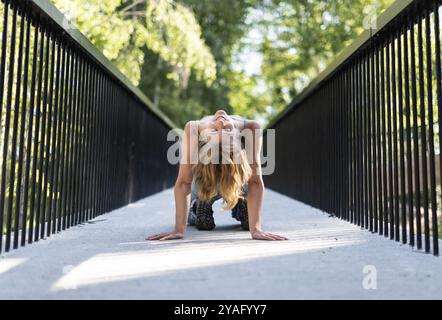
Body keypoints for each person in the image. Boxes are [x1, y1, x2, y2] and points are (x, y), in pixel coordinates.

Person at [146, 110, 288, 241]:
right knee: (202, 182)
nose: (220, 122)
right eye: (220, 130)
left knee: (244, 175)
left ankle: (240, 203)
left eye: (216, 130)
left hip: (235, 177)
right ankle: (201, 202)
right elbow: (184, 182)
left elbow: (255, 182)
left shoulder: (251, 128)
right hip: (206, 178)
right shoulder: (193, 129)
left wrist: (255, 228)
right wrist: (179, 229)